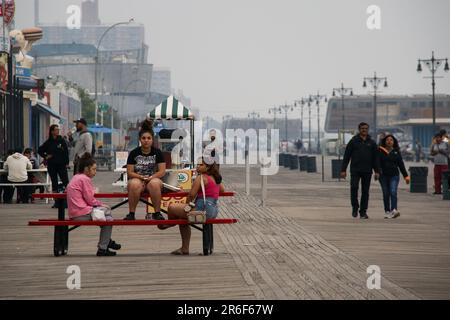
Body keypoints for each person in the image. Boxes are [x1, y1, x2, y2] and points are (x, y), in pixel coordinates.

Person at [161, 157, 224, 255]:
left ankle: (170, 223)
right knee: (182, 220)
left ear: (208, 167)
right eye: (197, 164)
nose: (197, 166)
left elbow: (191, 194)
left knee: (172, 207)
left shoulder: (201, 178)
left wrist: (187, 205)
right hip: (212, 211)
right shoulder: (216, 178)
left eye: (201, 165)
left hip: (201, 210)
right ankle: (184, 248)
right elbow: (222, 191)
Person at [66, 154, 121, 256]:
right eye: (94, 169)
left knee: (107, 219)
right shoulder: (85, 179)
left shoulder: (76, 177)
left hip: (74, 213)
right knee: (108, 215)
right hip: (82, 213)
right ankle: (104, 246)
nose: (95, 172)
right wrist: (103, 205)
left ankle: (105, 243)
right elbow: (90, 200)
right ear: (87, 169)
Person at [123, 125, 167, 220]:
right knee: (134, 184)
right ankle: (131, 213)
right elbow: (130, 172)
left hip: (153, 179)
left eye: (148, 138)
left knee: (155, 184)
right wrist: (141, 177)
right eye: (143, 138)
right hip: (138, 179)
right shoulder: (133, 153)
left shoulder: (158, 152)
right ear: (140, 139)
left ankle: (157, 213)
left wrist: (151, 177)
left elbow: (162, 171)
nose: (146, 140)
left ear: (152, 140)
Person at [340, 122, 380, 219]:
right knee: (354, 188)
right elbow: (347, 156)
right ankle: (355, 207)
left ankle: (363, 211)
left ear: (368, 129)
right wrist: (343, 170)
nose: (364, 130)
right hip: (355, 170)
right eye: (362, 128)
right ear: (359, 129)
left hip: (367, 170)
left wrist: (377, 171)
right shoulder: (353, 141)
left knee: (365, 191)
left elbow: (376, 158)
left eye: (366, 128)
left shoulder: (372, 143)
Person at [378, 135, 410, 219]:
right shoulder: (380, 151)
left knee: (393, 191)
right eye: (387, 140)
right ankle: (387, 211)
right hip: (383, 176)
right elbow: (377, 163)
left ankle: (394, 210)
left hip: (394, 175)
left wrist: (406, 176)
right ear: (384, 141)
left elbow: (401, 164)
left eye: (391, 140)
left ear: (394, 142)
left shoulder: (396, 152)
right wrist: (377, 172)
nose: (389, 141)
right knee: (386, 193)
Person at [38, 125, 70, 194]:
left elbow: (66, 152)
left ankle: (69, 197)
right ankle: (56, 201)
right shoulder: (48, 142)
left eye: (58, 129)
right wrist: (46, 156)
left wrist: (67, 163)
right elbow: (40, 150)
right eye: (56, 129)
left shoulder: (61, 140)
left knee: (65, 181)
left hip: (61, 164)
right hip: (52, 165)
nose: (58, 131)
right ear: (52, 131)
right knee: (54, 182)